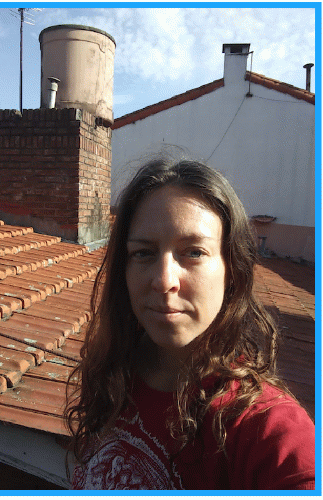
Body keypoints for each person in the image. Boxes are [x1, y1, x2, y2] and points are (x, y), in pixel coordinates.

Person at [64, 155, 315, 490]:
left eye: (194, 252)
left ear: (232, 271)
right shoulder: (111, 375)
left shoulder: (264, 428)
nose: (163, 280)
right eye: (143, 253)